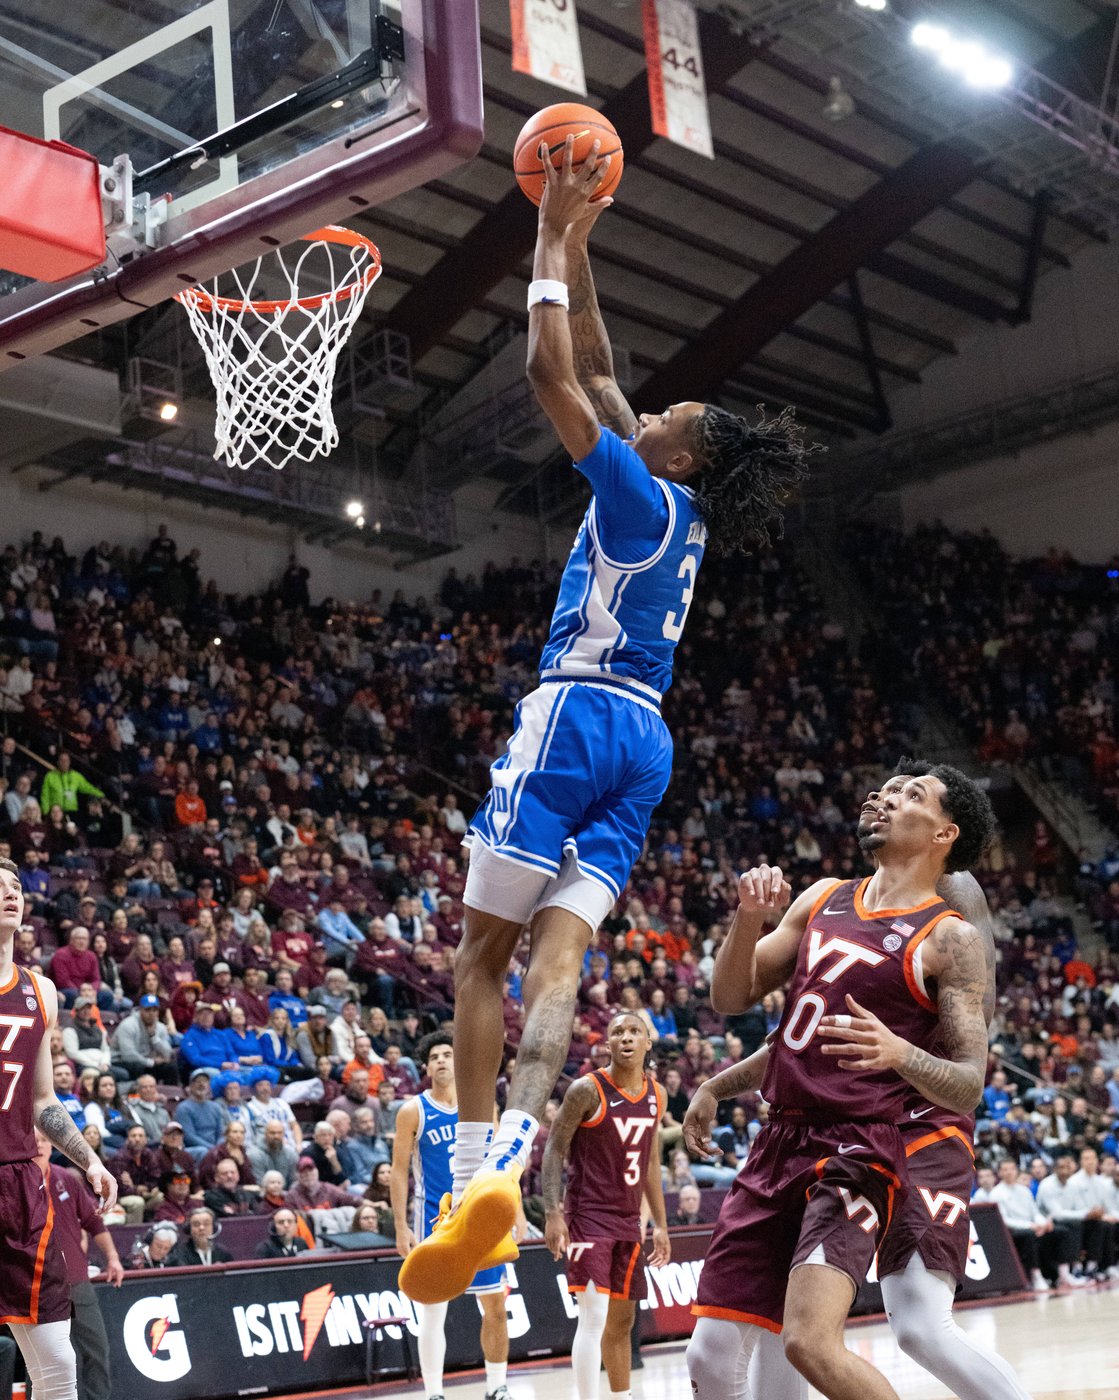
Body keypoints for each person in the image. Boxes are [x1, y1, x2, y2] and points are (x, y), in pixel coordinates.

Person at [402, 135, 812, 1307]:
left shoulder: (637, 490)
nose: (659, 402)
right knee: (559, 963)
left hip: (577, 715)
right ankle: (512, 1159)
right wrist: (579, 237)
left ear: (679, 447)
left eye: (672, 408)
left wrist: (536, 237)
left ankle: (468, 1178)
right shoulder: (679, 506)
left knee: (481, 951)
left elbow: (551, 374)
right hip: (648, 744)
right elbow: (597, 350)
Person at [688, 775, 1035, 1400]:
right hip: (781, 1138)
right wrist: (746, 921)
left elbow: (966, 1083)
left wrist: (900, 1052)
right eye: (883, 788)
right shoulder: (822, 897)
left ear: (943, 834)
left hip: (866, 1144)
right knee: (715, 1355)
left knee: (903, 1327)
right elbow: (734, 1000)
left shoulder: (949, 938)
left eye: (909, 794)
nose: (882, 796)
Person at [0, 854, 117, 1400]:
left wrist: (89, 1158)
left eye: (16, 886)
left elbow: (44, 1098)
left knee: (57, 1360)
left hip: (19, 1181)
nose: (10, 893)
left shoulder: (40, 990)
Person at [542, 1012, 670, 1400]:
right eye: (618, 1032)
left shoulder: (657, 1094)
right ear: (608, 1044)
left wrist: (660, 1224)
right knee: (593, 1316)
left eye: (635, 1032)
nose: (626, 1038)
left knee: (623, 1321)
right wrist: (552, 1212)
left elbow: (650, 1161)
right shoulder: (587, 1089)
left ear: (648, 1043)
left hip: (628, 1220)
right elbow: (554, 1149)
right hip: (588, 1216)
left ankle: (621, 1396)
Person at [392, 1032, 525, 1400]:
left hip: (480, 1215)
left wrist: (515, 1211)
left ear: (457, 1059)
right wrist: (401, 1227)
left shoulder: (481, 1105)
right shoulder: (412, 1111)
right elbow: (399, 1170)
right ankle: (434, 1393)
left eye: (448, 1054)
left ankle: (497, 1387)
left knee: (496, 1304)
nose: (441, 1060)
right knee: (432, 1310)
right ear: (425, 1066)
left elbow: (504, 1163)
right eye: (434, 1056)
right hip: (433, 1217)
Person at [35, 1130, 124, 1400]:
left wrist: (113, 1258)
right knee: (45, 1361)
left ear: (52, 1146)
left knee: (98, 1349)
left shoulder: (66, 1179)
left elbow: (93, 1222)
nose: (39, 1145)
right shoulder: (14, 1184)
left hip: (76, 1281)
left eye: (44, 1140)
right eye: (33, 1140)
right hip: (38, 1286)